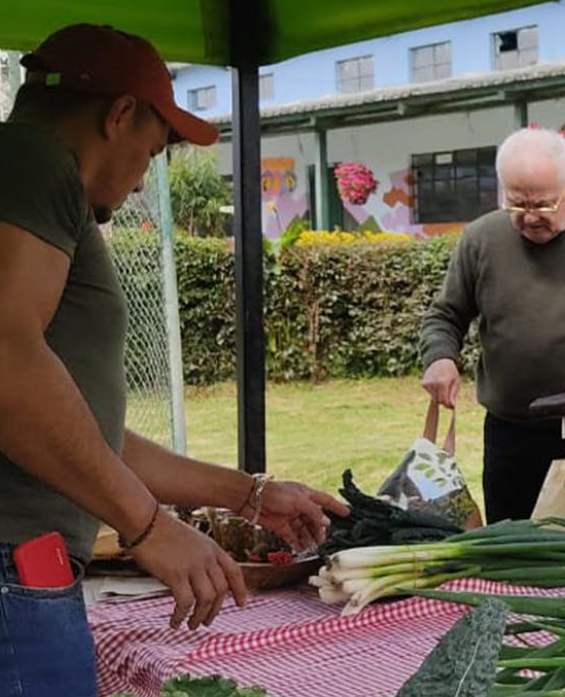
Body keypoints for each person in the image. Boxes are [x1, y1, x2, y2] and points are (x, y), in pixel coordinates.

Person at [0, 24, 350, 696]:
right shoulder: (33, 161)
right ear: (120, 113)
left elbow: (82, 433)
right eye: (152, 152)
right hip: (15, 571)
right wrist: (147, 525)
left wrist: (248, 494)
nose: (142, 182)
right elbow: (8, 362)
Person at [419, 127, 565, 523]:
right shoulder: (481, 239)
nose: (529, 218)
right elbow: (445, 315)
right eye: (516, 204)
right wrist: (440, 357)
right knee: (508, 557)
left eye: (544, 206)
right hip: (509, 432)